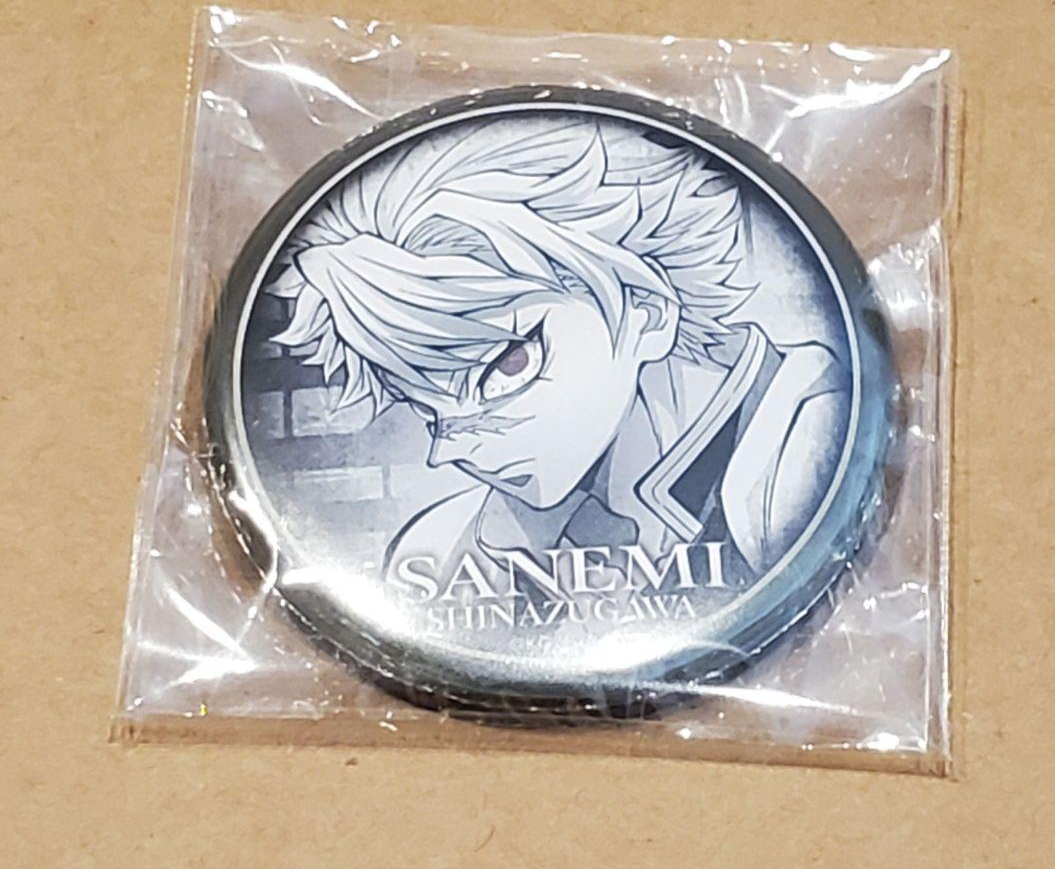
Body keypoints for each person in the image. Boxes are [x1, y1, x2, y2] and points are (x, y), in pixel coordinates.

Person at [268, 114, 850, 599]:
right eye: (429, 410)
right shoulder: (441, 551)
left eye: (505, 368)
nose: (449, 450)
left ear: (646, 311)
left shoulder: (797, 450)